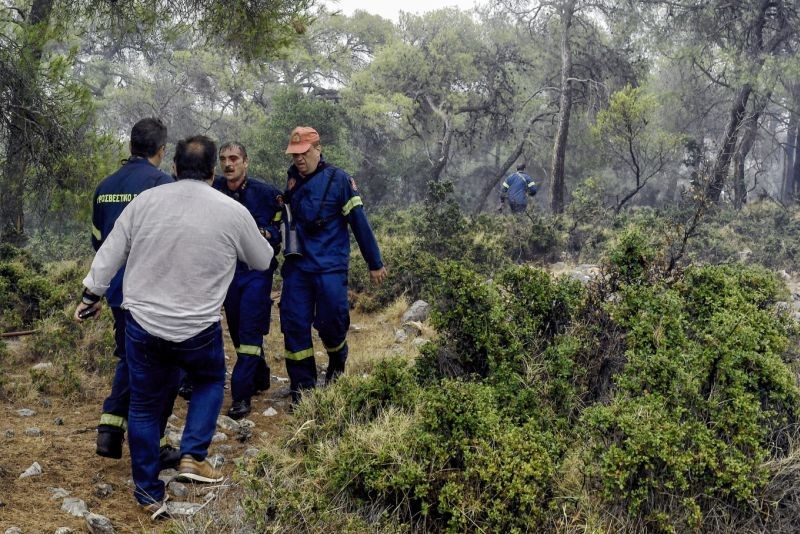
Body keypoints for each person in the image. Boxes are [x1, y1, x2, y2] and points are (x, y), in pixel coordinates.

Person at [75, 135, 273, 517]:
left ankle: (148, 493)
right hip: (197, 328)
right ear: (213, 173)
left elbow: (110, 252)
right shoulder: (230, 210)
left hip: (143, 325)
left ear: (175, 170)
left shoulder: (146, 202)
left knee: (146, 407)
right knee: (211, 380)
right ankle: (194, 455)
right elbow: (262, 260)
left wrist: (90, 296)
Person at [90, 117, 180, 468]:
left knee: (130, 358)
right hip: (152, 293)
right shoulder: (162, 184)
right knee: (155, 367)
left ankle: (110, 430)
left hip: (116, 291)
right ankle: (153, 443)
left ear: (130, 147)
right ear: (161, 150)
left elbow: (99, 243)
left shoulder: (105, 186)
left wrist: (97, 290)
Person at [280, 126, 387, 404]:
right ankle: (302, 389)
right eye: (295, 155)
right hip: (298, 269)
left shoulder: (340, 180)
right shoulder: (292, 181)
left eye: (304, 152)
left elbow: (359, 222)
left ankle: (337, 361)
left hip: (329, 267)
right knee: (294, 324)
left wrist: (374, 262)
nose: (299, 159)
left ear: (318, 148)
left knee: (331, 323)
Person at [214, 142, 283, 420]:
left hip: (256, 271)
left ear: (246, 162)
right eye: (223, 159)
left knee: (251, 331)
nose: (228, 164)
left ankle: (241, 397)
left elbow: (279, 233)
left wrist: (262, 234)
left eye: (234, 158)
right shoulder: (213, 190)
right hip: (227, 272)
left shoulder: (267, 194)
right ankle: (261, 373)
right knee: (239, 330)